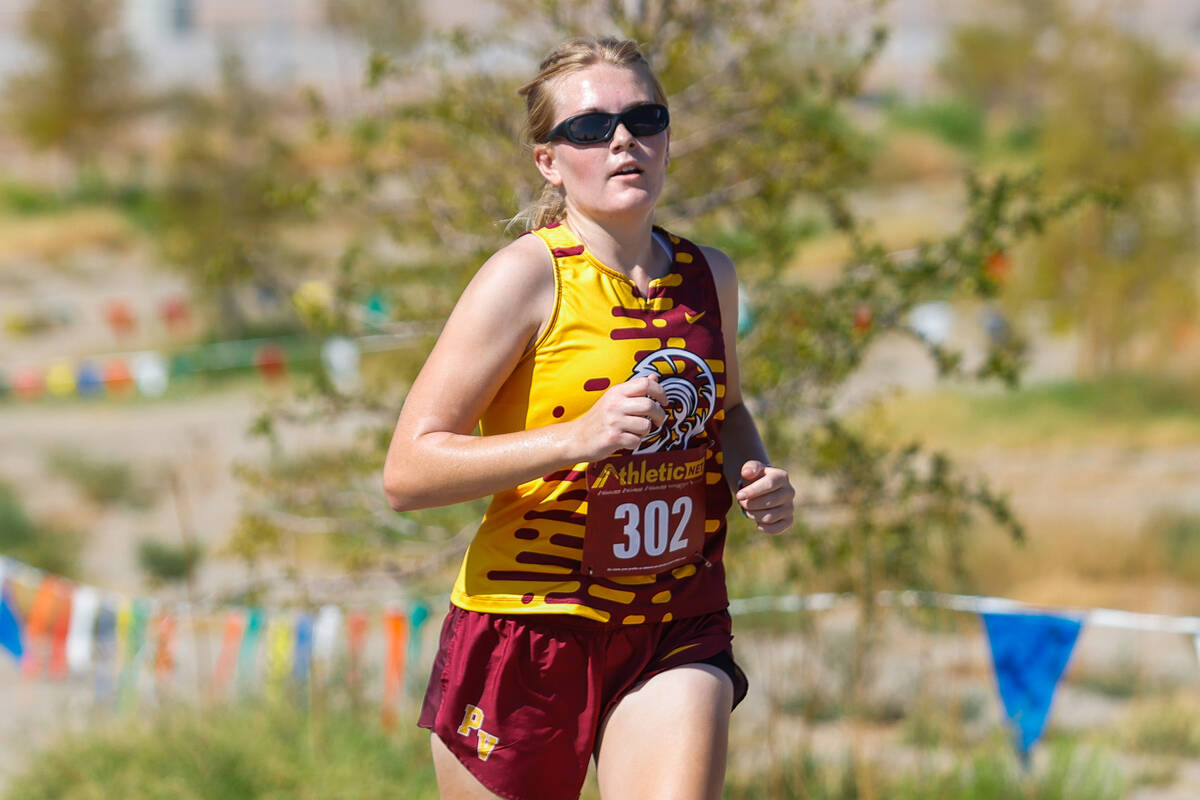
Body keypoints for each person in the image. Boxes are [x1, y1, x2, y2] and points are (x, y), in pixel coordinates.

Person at [383, 36, 795, 800]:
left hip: (677, 617)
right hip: (529, 628)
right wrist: (579, 437)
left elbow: (729, 408)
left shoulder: (711, 276)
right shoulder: (524, 278)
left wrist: (755, 473)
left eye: (645, 117)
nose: (623, 140)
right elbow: (408, 472)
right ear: (548, 159)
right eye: (589, 127)